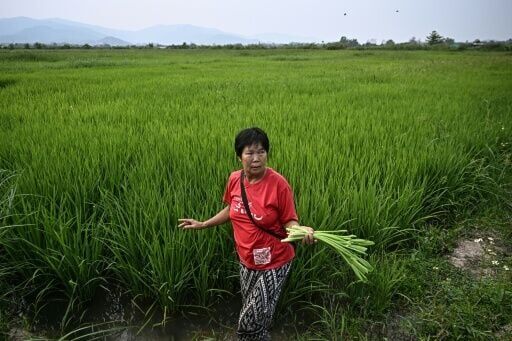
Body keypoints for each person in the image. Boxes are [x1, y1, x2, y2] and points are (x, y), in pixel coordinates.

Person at [178, 127, 315, 340]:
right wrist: (204, 224)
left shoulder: (279, 184)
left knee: (247, 323)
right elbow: (232, 209)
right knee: (261, 312)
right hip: (247, 259)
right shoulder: (234, 179)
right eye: (249, 153)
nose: (256, 158)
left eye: (261, 152)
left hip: (275, 261)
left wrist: (301, 230)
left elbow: (289, 220)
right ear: (239, 156)